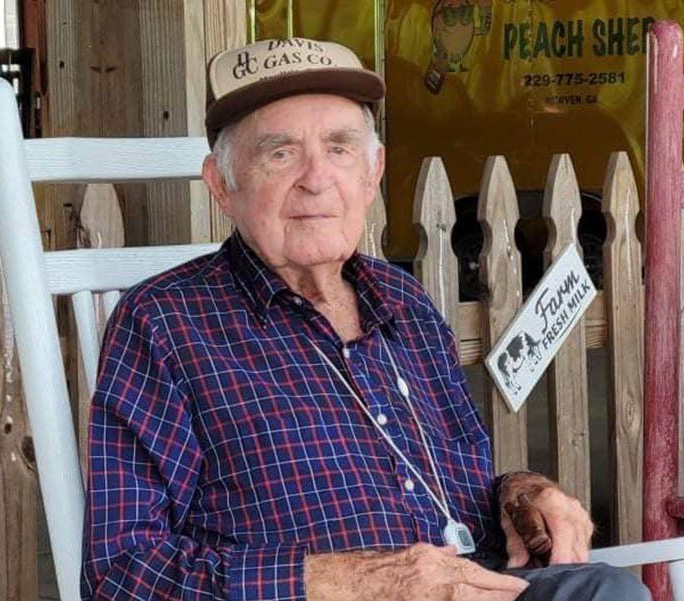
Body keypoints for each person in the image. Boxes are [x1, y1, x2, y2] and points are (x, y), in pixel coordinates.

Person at [80, 37, 650, 601]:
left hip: (479, 586)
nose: (316, 177)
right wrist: (349, 582)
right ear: (222, 185)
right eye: (279, 152)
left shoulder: (404, 303)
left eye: (340, 148)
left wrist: (522, 496)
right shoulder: (164, 322)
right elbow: (123, 572)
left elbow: (457, 489)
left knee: (607, 589)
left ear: (373, 171)